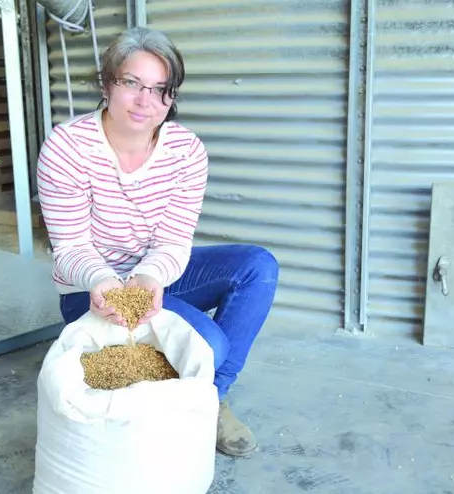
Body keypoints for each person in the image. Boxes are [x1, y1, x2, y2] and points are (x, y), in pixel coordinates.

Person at [36, 26, 279, 458]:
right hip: (90, 290)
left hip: (151, 278)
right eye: (131, 83)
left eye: (160, 89)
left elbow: (173, 239)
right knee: (212, 344)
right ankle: (147, 379)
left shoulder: (186, 151)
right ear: (107, 84)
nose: (145, 101)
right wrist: (104, 283)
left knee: (257, 266)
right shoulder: (68, 147)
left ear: (171, 97)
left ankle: (210, 401)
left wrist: (150, 277)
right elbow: (70, 246)